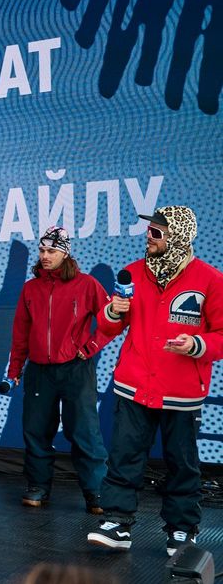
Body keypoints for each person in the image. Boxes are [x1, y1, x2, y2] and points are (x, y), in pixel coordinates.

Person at [87, 206, 223, 556]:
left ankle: (182, 530)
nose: (148, 237)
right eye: (148, 231)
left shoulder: (210, 280)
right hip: (133, 386)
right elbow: (108, 327)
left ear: (178, 237)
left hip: (182, 392)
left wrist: (196, 344)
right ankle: (117, 522)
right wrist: (113, 311)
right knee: (124, 455)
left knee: (182, 464)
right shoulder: (133, 273)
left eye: (156, 233)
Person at [6, 226, 112, 514]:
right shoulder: (31, 288)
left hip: (76, 369)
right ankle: (38, 486)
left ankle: (96, 491)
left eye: (51, 251)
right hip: (39, 370)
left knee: (84, 431)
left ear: (65, 254)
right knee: (36, 430)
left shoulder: (87, 284)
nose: (45, 256)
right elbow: (20, 333)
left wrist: (90, 346)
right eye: (42, 250)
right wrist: (15, 370)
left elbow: (113, 320)